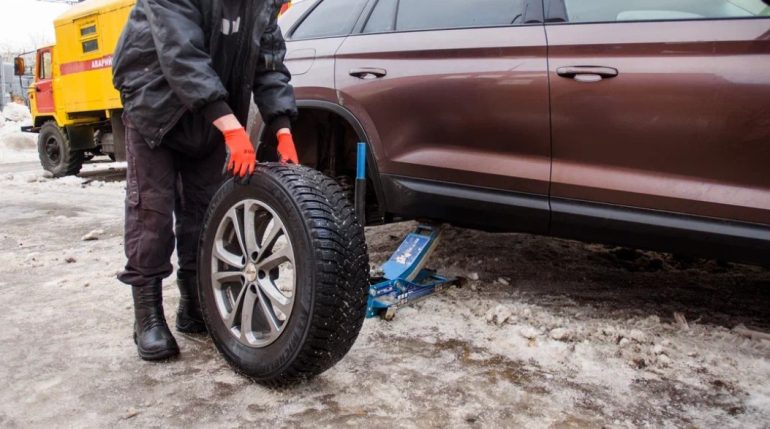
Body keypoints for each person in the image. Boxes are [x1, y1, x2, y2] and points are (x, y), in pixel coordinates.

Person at [112, 0, 299, 361]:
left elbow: (269, 65)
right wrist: (230, 126)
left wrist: (283, 127)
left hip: (209, 113)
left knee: (204, 209)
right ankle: (147, 316)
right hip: (156, 106)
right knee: (151, 212)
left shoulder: (263, 4)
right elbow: (181, 54)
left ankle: (195, 304)